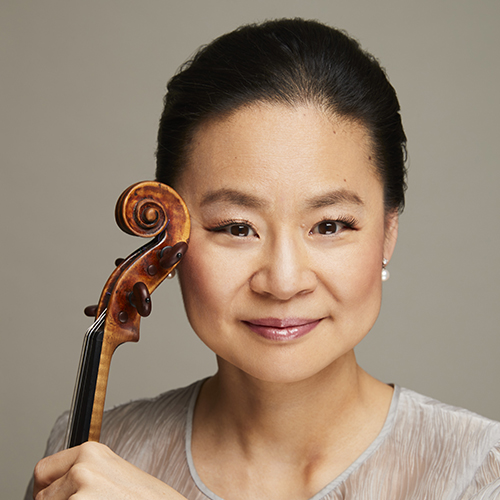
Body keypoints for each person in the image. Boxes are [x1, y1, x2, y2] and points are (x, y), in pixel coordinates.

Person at [27, 18, 500, 500]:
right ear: (173, 234)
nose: (283, 280)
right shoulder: (96, 456)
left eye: (329, 225)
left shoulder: (479, 471)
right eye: (236, 228)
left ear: (388, 232)